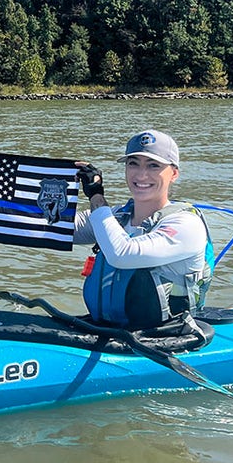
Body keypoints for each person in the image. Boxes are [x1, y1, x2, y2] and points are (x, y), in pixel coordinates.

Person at [74, 130, 211, 339]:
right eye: (133, 163)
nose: (141, 175)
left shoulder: (186, 225)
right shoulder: (117, 217)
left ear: (174, 174)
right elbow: (55, 226)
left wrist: (96, 195)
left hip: (166, 336)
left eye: (153, 165)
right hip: (108, 330)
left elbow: (122, 254)